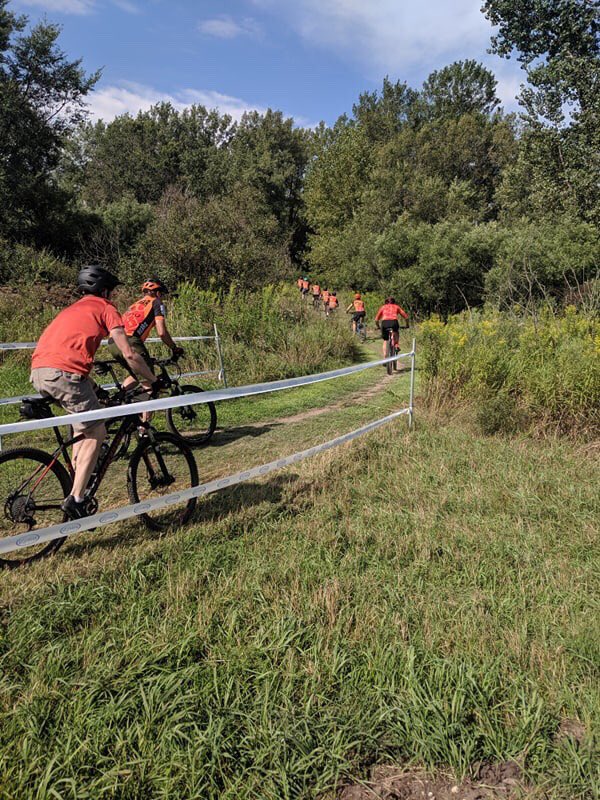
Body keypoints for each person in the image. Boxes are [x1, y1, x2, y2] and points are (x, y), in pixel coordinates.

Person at [30, 265, 160, 520]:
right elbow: (129, 353)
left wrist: (95, 389)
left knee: (83, 429)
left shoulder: (71, 310)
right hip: (65, 374)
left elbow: (68, 354)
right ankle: (77, 499)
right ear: (105, 291)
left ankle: (79, 480)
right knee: (97, 430)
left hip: (40, 371)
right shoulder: (105, 308)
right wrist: (152, 380)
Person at [374, 296, 409, 360]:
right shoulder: (396, 307)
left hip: (384, 323)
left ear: (386, 302)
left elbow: (376, 319)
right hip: (394, 322)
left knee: (385, 340)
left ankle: (385, 356)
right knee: (396, 332)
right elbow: (406, 317)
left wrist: (378, 326)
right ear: (394, 302)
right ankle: (396, 345)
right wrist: (407, 325)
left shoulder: (383, 307)